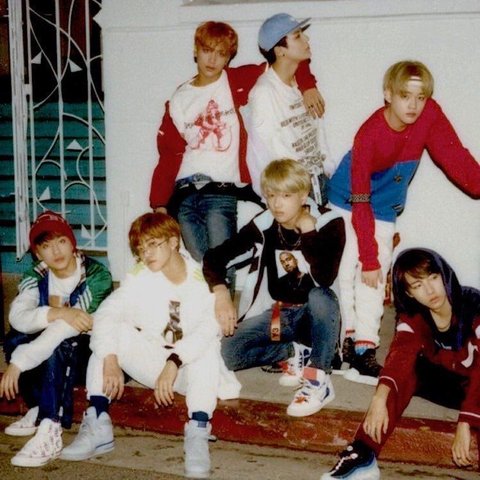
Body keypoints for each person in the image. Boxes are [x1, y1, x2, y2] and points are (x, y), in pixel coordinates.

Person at [327, 60, 480, 384]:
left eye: (420, 97)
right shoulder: (369, 133)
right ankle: (343, 342)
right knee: (347, 271)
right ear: (388, 94)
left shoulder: (429, 115)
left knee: (373, 276)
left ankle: (364, 349)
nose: (413, 105)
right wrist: (367, 255)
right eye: (405, 96)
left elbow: (455, 157)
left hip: (383, 206)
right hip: (348, 200)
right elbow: (360, 200)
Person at [60, 212, 240, 479]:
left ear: (173, 242)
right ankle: (98, 421)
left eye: (153, 244)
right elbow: (108, 311)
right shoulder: (141, 276)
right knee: (111, 332)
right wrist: (110, 358)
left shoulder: (203, 277)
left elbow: (207, 330)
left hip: (189, 371)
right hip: (155, 361)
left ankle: (198, 430)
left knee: (208, 350)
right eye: (141, 249)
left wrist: (175, 361)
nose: (146, 254)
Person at [149, 20, 324, 293]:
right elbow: (169, 155)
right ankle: (213, 316)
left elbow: (288, 60)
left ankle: (224, 317)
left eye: (221, 53)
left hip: (221, 190)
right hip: (184, 193)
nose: (212, 59)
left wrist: (308, 85)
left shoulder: (237, 81)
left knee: (220, 264)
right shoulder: (179, 98)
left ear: (229, 57)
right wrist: (160, 204)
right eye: (207, 50)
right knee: (200, 264)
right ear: (196, 50)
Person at [321, 248, 480, 479]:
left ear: (444, 275)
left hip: (476, 384)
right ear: (409, 293)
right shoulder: (413, 315)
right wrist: (379, 398)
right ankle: (363, 454)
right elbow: (400, 355)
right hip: (451, 383)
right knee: (408, 370)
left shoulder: (473, 304)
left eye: (433, 278)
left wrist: (466, 421)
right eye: (417, 285)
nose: (430, 290)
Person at [203, 159, 345, 417]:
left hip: (317, 317)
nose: (277, 204)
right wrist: (221, 293)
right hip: (281, 314)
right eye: (271, 195)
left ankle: (318, 379)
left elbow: (324, 278)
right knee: (226, 353)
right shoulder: (265, 223)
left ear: (303, 194)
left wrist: (309, 231)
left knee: (320, 295)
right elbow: (215, 257)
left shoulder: (329, 222)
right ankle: (293, 351)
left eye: (286, 195)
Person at [0, 210, 113, 467]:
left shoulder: (97, 275)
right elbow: (18, 317)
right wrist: (57, 312)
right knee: (16, 337)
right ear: (38, 254)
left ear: (73, 244)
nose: (56, 251)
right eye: (46, 246)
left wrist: (18, 363)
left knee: (60, 342)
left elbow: (68, 327)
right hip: (55, 350)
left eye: (62, 241)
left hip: (90, 354)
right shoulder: (36, 275)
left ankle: (50, 428)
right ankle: (38, 406)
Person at [245, 13, 334, 207]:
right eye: (297, 36)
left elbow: (317, 134)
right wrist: (283, 193)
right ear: (280, 51)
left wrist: (328, 169)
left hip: (319, 181)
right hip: (291, 188)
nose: (306, 39)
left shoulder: (303, 87)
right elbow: (263, 152)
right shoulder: (264, 92)